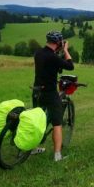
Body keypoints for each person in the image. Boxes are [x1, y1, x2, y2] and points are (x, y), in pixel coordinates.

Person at [32, 31, 74, 161]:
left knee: (37, 121)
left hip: (36, 91)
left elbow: (49, 65)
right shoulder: (53, 57)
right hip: (49, 93)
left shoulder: (38, 53)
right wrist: (66, 50)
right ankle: (57, 155)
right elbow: (70, 66)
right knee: (57, 123)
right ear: (58, 42)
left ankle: (33, 147)